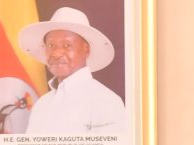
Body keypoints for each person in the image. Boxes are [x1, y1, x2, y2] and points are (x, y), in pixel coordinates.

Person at [19, 6, 126, 134]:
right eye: (51, 45)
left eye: (67, 45)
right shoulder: (41, 104)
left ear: (86, 49)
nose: (57, 53)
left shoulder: (106, 102)